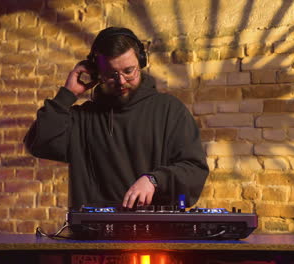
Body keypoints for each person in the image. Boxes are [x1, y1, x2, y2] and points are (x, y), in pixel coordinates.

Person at [24, 27, 209, 210]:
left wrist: (154, 180)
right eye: (111, 75)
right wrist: (67, 94)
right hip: (92, 235)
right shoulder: (82, 119)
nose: (121, 81)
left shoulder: (170, 110)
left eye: (129, 71)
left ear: (141, 62)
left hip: (156, 234)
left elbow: (194, 170)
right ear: (97, 74)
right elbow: (39, 143)